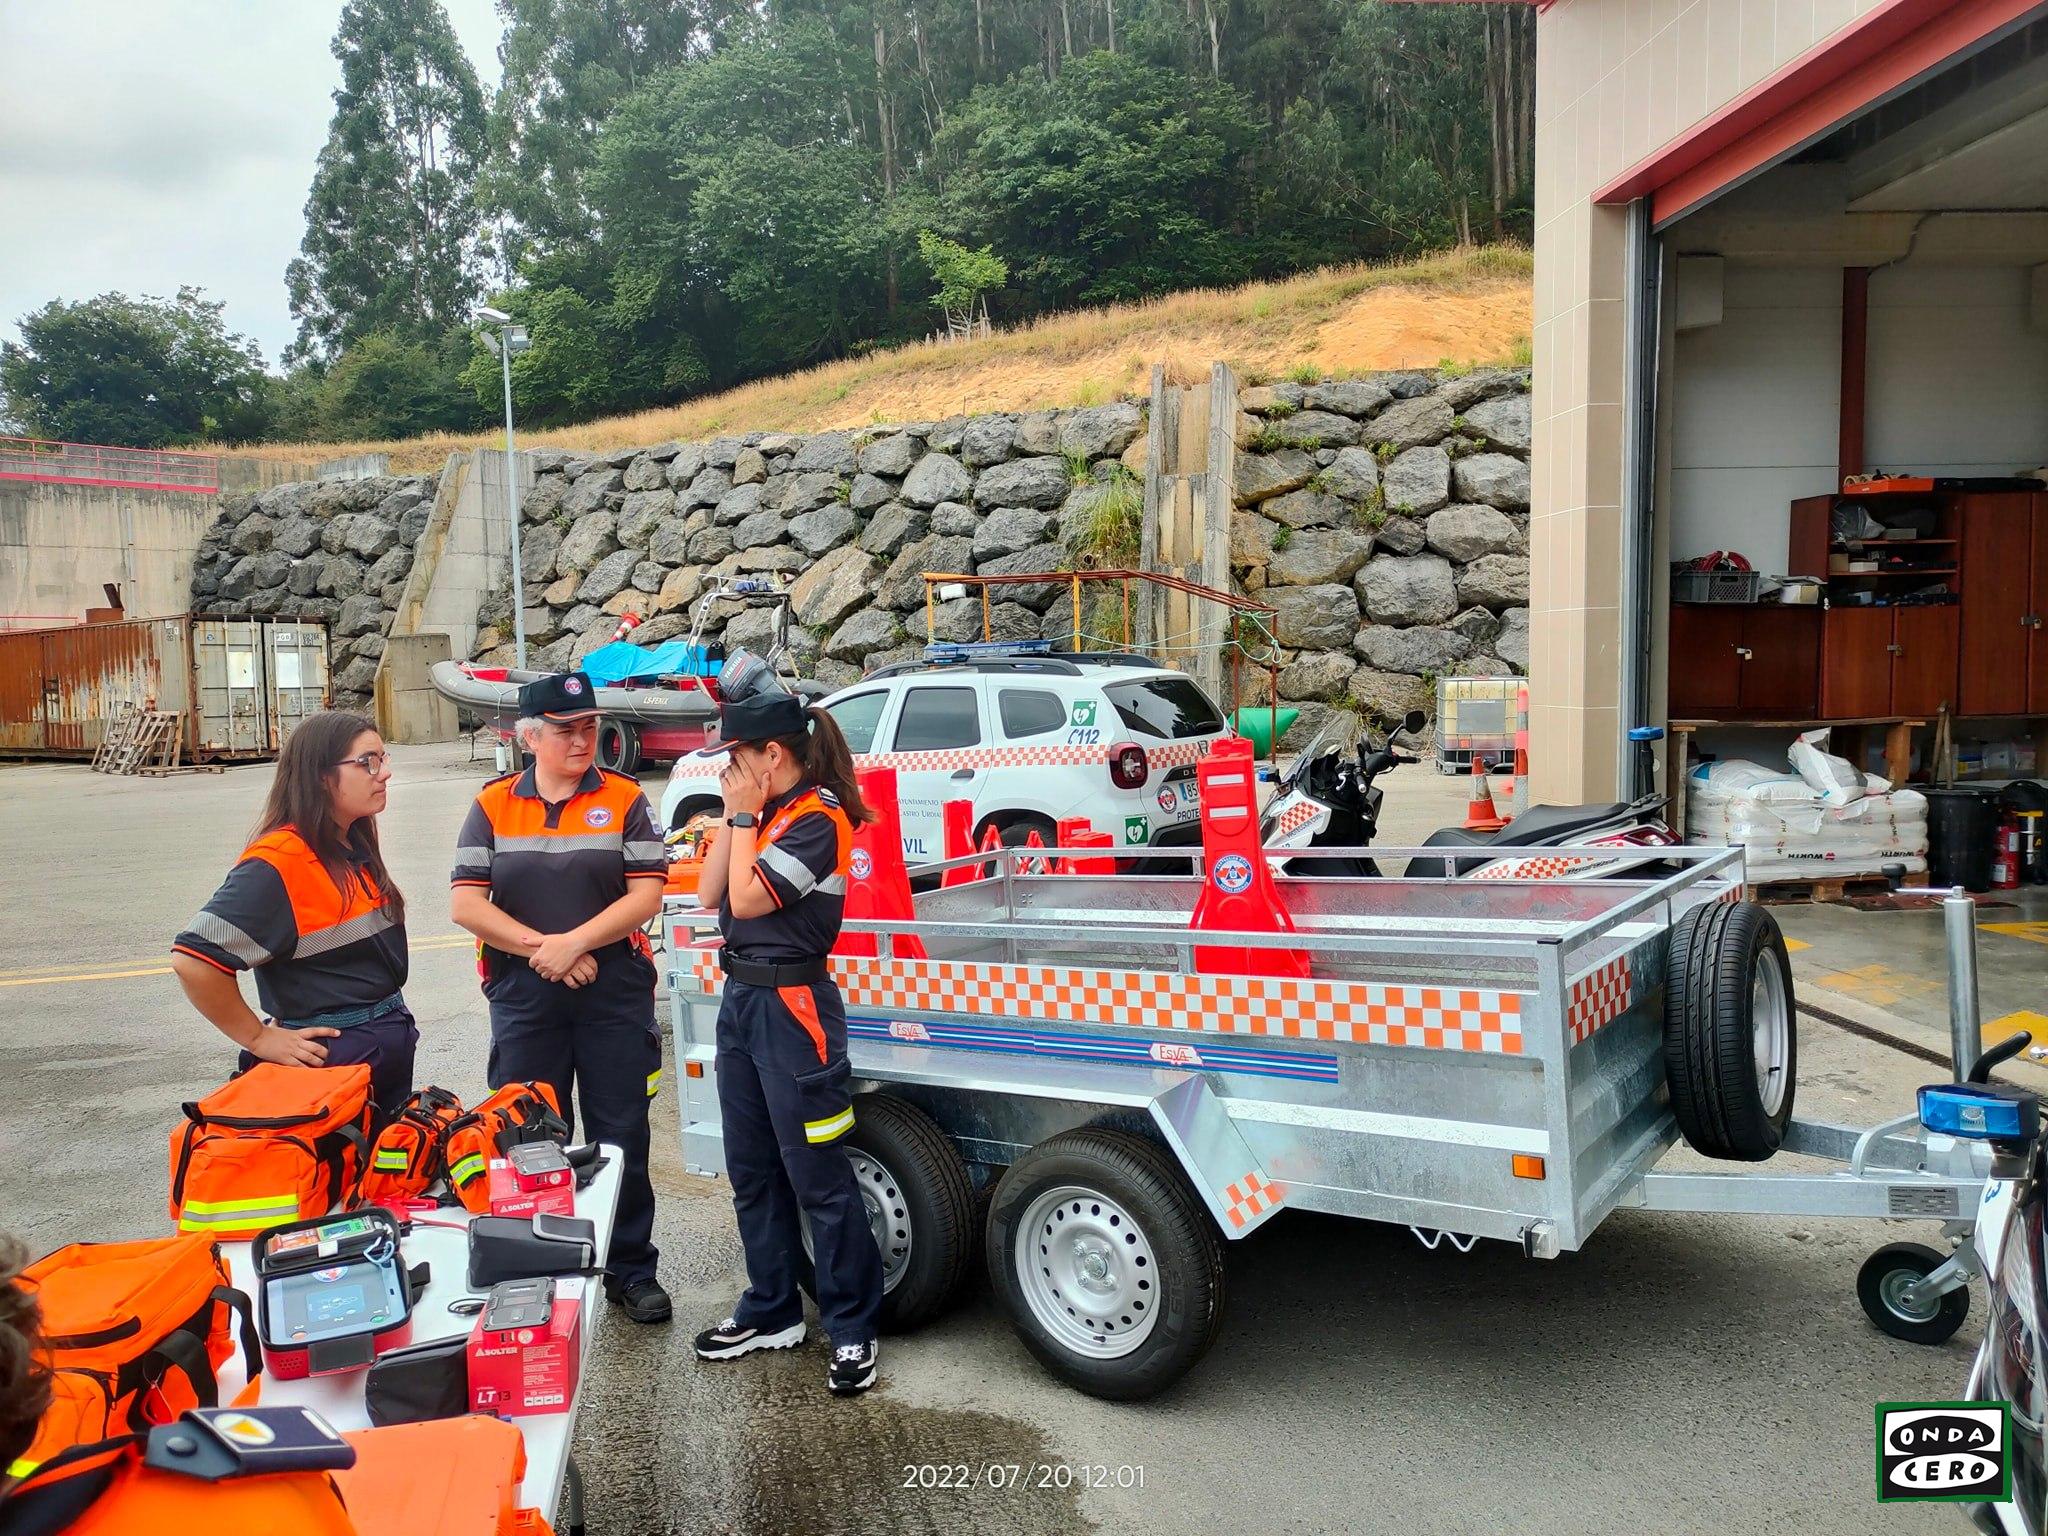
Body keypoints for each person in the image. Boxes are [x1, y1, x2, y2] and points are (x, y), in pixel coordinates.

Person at [450, 673, 671, 1324]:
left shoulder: (626, 799)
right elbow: (466, 903)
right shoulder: (492, 805)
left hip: (613, 992)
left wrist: (572, 944)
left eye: (590, 726)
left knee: (620, 1134)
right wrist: (543, 949)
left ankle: (630, 1270)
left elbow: (645, 896)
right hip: (525, 990)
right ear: (529, 736)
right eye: (568, 729)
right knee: (527, 1137)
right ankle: (538, 1271)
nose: (584, 739)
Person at [691, 671, 885, 1396]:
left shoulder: (820, 817)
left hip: (795, 1011)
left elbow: (746, 894)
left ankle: (854, 1328)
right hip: (742, 1001)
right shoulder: (760, 811)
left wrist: (741, 821)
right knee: (752, 1171)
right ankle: (772, 1309)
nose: (726, 770)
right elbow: (710, 893)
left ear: (772, 755)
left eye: (734, 758)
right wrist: (732, 815)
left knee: (819, 1181)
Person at [171, 712, 414, 1119]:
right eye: (368, 762)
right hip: (331, 1059)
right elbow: (193, 960)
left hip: (380, 1040)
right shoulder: (280, 862)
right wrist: (259, 1037)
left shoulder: (349, 843)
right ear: (320, 775)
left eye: (384, 758)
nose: (384, 773)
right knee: (334, 1179)